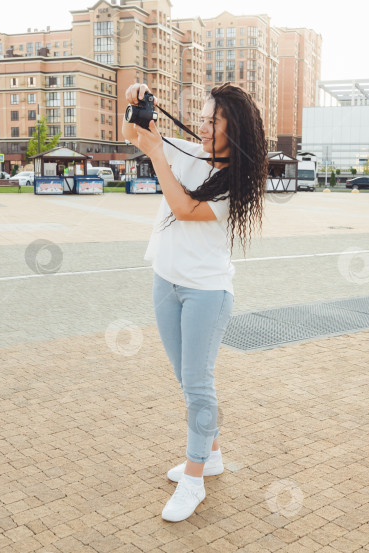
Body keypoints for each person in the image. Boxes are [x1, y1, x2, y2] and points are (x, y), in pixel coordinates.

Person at [122, 82, 267, 523]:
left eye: (212, 122)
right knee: (188, 383)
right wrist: (137, 104)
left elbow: (183, 208)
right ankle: (213, 455)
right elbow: (134, 135)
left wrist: (160, 157)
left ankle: (194, 479)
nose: (202, 128)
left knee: (198, 384)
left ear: (234, 128)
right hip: (165, 281)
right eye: (201, 119)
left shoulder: (236, 181)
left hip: (207, 292)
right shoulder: (188, 151)